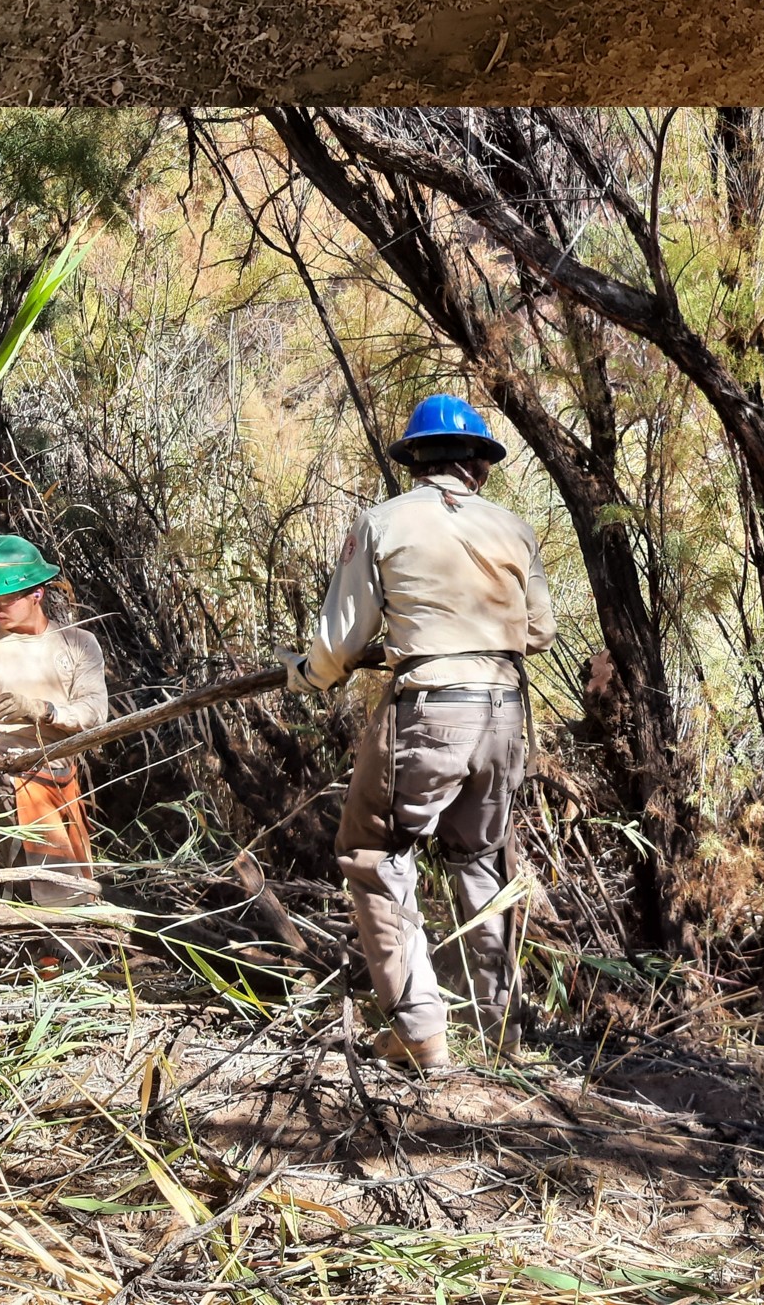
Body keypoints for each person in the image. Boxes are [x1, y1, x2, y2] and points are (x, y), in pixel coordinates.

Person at [282, 394, 555, 1074]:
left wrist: (305, 676)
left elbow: (338, 645)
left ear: (414, 459)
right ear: (479, 467)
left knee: (374, 852)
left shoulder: (382, 522)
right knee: (480, 858)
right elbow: (540, 633)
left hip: (430, 708)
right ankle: (499, 1032)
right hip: (503, 711)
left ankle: (421, 1030)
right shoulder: (514, 529)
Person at [0, 534, 110, 911]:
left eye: (5, 598)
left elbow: (96, 713)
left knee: (76, 886)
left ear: (37, 593)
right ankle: (51, 962)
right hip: (12, 787)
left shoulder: (78, 644)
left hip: (64, 780)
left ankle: (73, 959)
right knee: (40, 894)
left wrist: (43, 710)